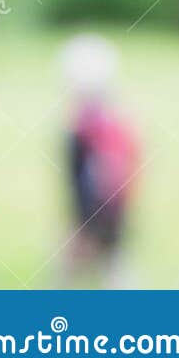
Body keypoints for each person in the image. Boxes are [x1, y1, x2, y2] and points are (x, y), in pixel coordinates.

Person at [59, 34, 139, 286]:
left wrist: (91, 223)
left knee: (107, 266)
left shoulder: (99, 129)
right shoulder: (84, 127)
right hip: (93, 210)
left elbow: (109, 177)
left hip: (101, 211)